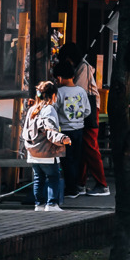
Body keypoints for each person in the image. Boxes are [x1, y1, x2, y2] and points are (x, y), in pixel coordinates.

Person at [58, 43, 109, 196]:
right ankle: (80, 183)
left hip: (88, 109)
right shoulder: (80, 67)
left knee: (90, 146)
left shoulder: (83, 67)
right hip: (80, 109)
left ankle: (102, 184)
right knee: (82, 147)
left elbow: (75, 89)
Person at [23, 81, 69, 212]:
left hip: (33, 151)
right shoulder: (49, 110)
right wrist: (62, 139)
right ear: (53, 95)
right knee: (53, 177)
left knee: (38, 178)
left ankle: (39, 204)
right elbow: (50, 131)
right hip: (47, 151)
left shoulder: (32, 109)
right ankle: (52, 204)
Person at [53, 63, 91, 198]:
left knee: (67, 160)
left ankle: (71, 189)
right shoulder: (81, 91)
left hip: (64, 130)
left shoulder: (59, 92)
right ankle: (76, 186)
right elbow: (88, 110)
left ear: (59, 78)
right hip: (79, 129)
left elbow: (53, 110)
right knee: (76, 158)